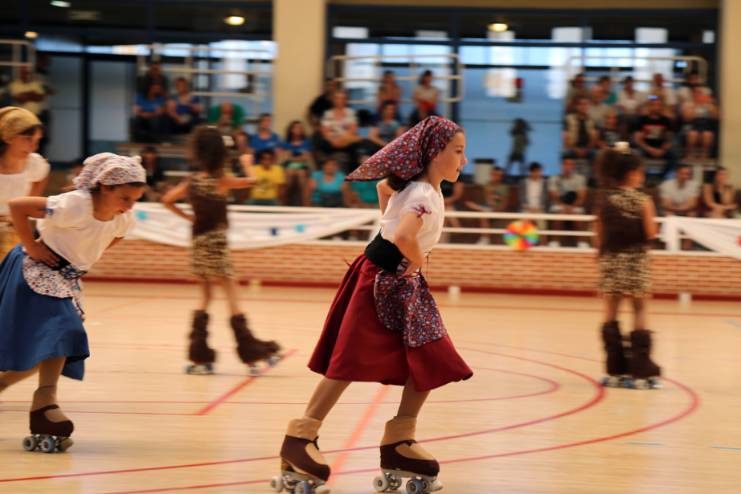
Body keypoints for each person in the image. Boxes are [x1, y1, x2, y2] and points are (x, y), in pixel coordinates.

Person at [273, 117, 472, 493]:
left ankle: (400, 439)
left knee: (430, 355)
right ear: (434, 153)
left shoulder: (419, 188)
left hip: (392, 278)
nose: (464, 161)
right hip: (384, 280)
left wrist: (392, 224)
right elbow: (404, 235)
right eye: (458, 152)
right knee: (350, 358)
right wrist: (415, 258)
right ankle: (301, 435)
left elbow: (384, 189)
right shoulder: (423, 194)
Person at [0, 153, 146, 452]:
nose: (130, 206)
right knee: (65, 331)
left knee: (52, 347)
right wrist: (31, 246)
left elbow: (114, 235)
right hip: (36, 267)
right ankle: (44, 403)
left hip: (65, 277)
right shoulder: (75, 204)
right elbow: (18, 205)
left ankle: (20, 393)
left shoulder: (122, 219)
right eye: (125, 198)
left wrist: (84, 258)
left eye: (135, 200)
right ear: (104, 186)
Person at [161, 126, 280, 375]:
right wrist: (247, 163)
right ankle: (250, 352)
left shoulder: (192, 181)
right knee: (231, 295)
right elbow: (252, 181)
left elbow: (167, 200)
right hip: (216, 244)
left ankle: (199, 355)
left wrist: (189, 217)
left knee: (205, 297)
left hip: (198, 243)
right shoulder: (221, 180)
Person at [594, 143, 661, 389]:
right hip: (635, 262)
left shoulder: (605, 201)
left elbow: (599, 237)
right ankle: (641, 372)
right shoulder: (643, 200)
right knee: (639, 310)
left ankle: (615, 371)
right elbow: (651, 233)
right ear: (632, 174)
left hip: (611, 262)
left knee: (611, 312)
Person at [0, 107, 50, 258]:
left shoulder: (36, 165)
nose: (34, 146)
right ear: (8, 137)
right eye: (28, 139)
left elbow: (30, 202)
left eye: (37, 141)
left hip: (14, 234)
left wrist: (18, 217)